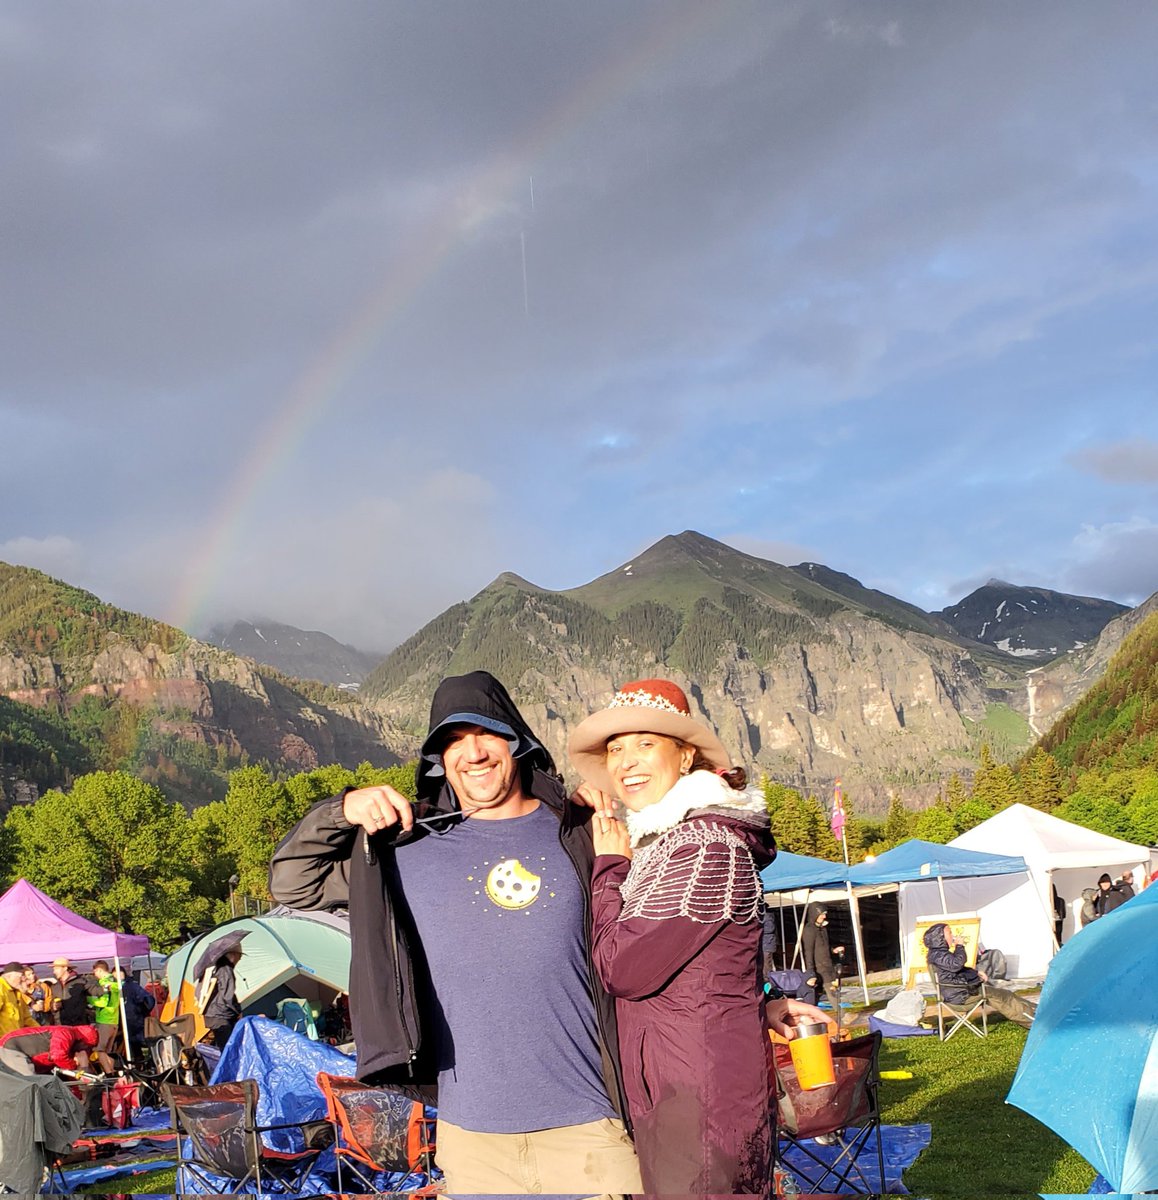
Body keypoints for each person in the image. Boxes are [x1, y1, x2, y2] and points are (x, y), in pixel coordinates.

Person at [270, 670, 643, 1197]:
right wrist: (341, 809)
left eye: (486, 733)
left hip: (591, 1129)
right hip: (472, 1143)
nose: (472, 752)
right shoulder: (402, 849)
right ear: (436, 760)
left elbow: (657, 935)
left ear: (518, 742)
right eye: (451, 741)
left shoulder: (580, 833)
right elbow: (293, 884)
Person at [568, 677, 822, 1196]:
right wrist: (766, 1001)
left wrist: (610, 869)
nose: (626, 762)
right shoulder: (668, 840)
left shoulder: (703, 845)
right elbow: (711, 960)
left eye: (645, 744)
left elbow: (623, 968)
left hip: (699, 1093)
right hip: (677, 1080)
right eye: (616, 749)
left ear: (685, 757)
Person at [922, 923, 1035, 1028]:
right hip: (959, 996)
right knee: (1002, 998)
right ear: (940, 937)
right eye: (949, 933)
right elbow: (957, 964)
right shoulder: (939, 955)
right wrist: (959, 946)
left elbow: (957, 970)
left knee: (1006, 994)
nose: (953, 935)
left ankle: (1036, 1010)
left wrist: (976, 973)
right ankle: (1031, 1022)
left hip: (959, 992)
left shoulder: (939, 954)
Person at [0, 1023, 100, 1074]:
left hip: (21, 1052)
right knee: (29, 1085)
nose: (83, 1051)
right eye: (85, 1047)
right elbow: (57, 1056)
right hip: (13, 1048)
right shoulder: (65, 1033)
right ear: (82, 1041)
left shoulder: (70, 1044)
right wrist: (75, 1066)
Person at [196, 947, 243, 1048]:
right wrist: (238, 1011)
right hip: (222, 1015)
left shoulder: (210, 969)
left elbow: (198, 992)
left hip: (210, 1015)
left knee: (222, 1047)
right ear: (233, 954)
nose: (240, 959)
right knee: (229, 1050)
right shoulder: (225, 969)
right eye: (240, 955)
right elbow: (227, 996)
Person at [801, 902, 844, 1009]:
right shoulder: (809, 930)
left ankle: (816, 1014)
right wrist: (810, 972)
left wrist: (833, 950)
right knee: (830, 991)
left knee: (830, 990)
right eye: (821, 914)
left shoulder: (822, 928)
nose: (824, 916)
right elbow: (809, 951)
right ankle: (843, 1016)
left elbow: (823, 947)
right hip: (819, 967)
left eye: (825, 914)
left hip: (827, 964)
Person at [115, 967, 156, 1058]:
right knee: (133, 1046)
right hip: (126, 1020)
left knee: (142, 1042)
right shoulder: (115, 987)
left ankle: (150, 1063)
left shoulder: (132, 986)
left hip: (135, 1019)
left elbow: (149, 999)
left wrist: (143, 1011)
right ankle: (139, 1063)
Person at [88, 961, 121, 1072]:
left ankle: (109, 1074)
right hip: (114, 1020)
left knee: (100, 1051)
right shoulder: (116, 981)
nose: (95, 975)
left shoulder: (105, 983)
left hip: (104, 1020)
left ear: (99, 970)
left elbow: (102, 1002)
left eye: (95, 972)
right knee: (108, 1051)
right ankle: (114, 1076)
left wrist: (88, 999)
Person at [53, 958, 104, 1026]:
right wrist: (53, 1007)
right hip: (61, 1027)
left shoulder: (81, 981)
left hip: (78, 1025)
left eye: (56, 968)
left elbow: (97, 991)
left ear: (65, 968)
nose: (54, 971)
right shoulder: (55, 986)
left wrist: (107, 987)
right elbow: (52, 1004)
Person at [0, 962, 35, 1035]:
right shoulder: (1, 988)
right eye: (22, 975)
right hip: (4, 1042)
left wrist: (43, 1031)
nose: (24, 979)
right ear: (10, 976)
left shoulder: (17, 991)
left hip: (15, 1041)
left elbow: (27, 1019)